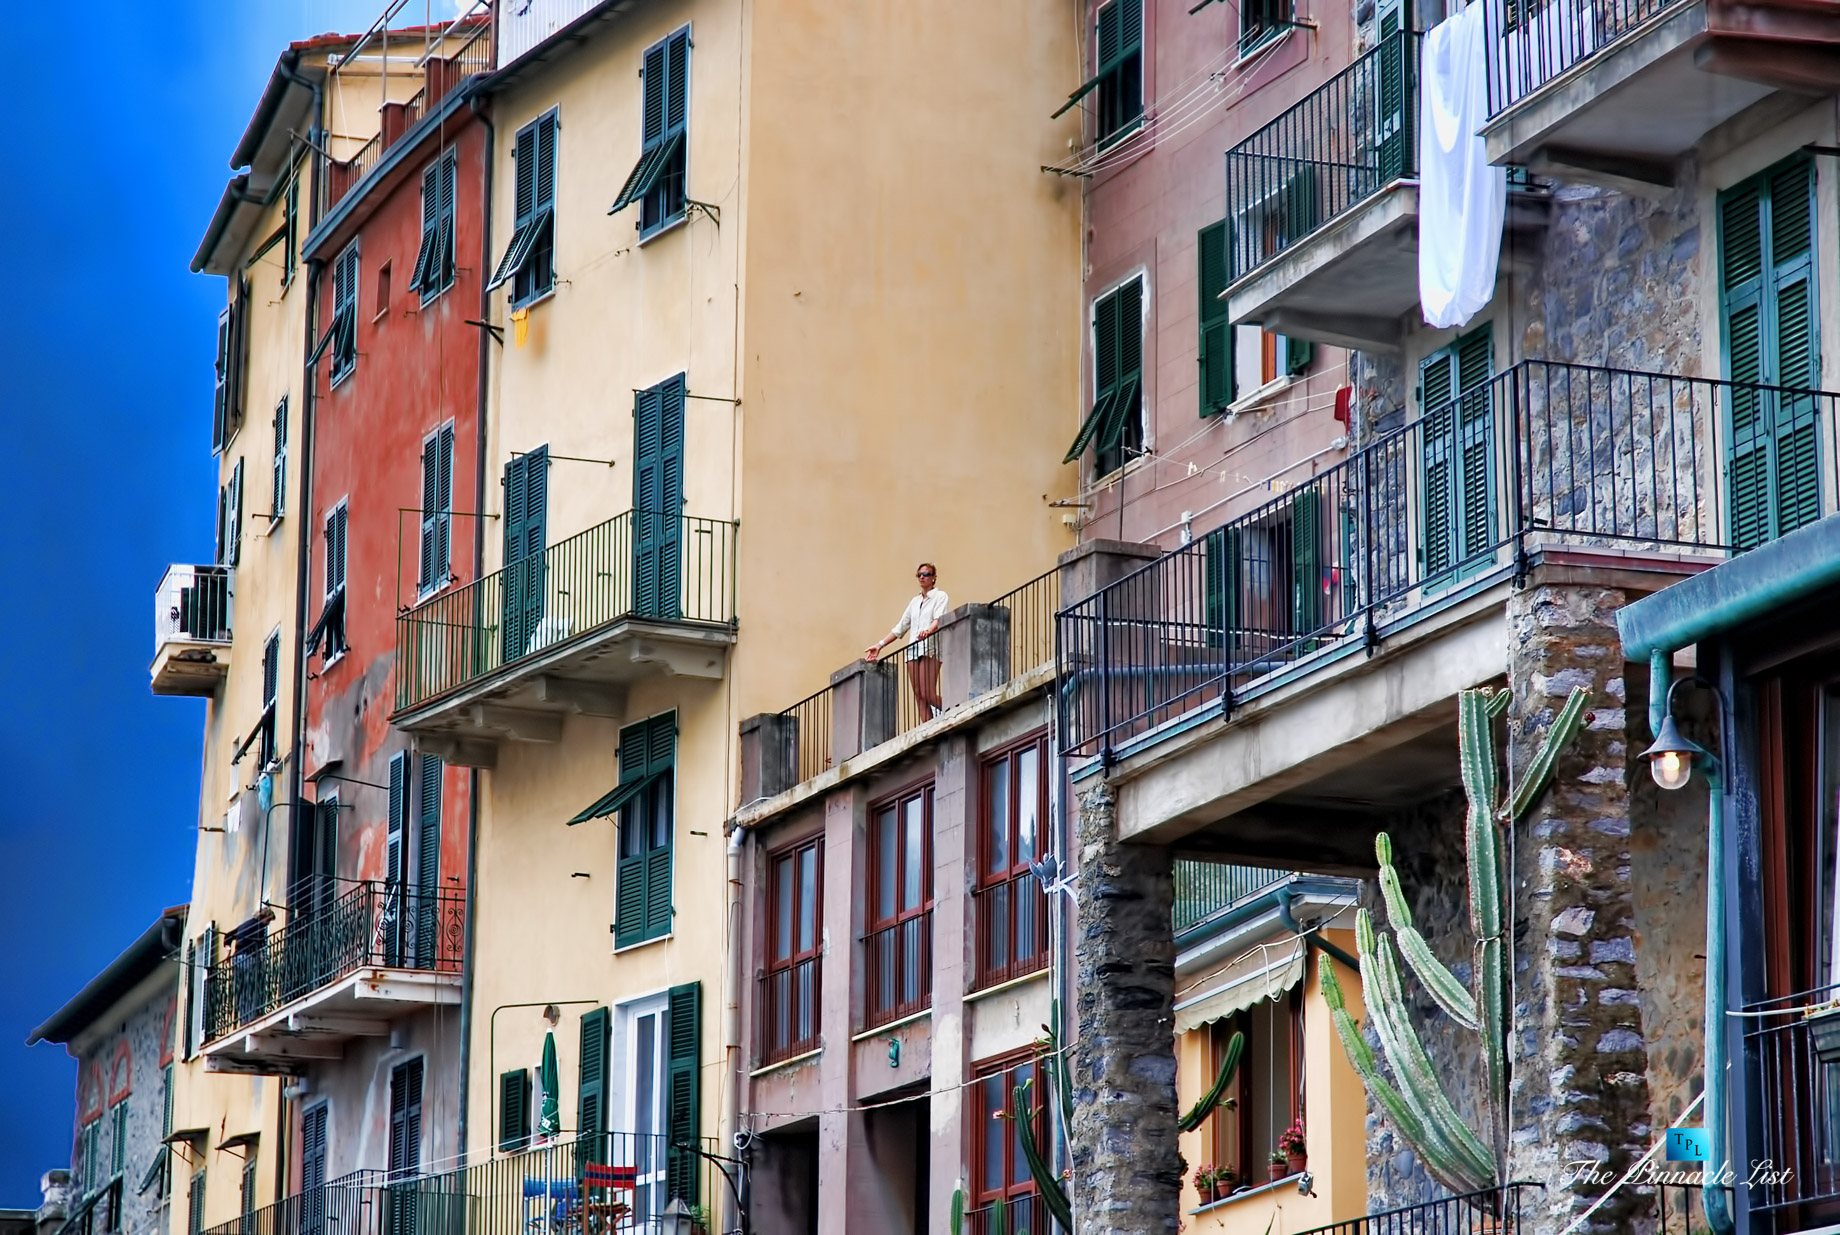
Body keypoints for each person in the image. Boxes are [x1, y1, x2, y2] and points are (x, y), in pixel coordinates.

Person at [865, 562, 949, 719]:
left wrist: (929, 631)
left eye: (926, 574)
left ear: (933, 578)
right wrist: (880, 645)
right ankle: (928, 728)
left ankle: (953, 710)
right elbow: (900, 627)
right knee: (919, 695)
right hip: (913, 650)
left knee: (928, 693)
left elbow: (939, 619)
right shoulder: (915, 602)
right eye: (919, 575)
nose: (922, 577)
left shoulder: (940, 596)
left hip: (930, 648)